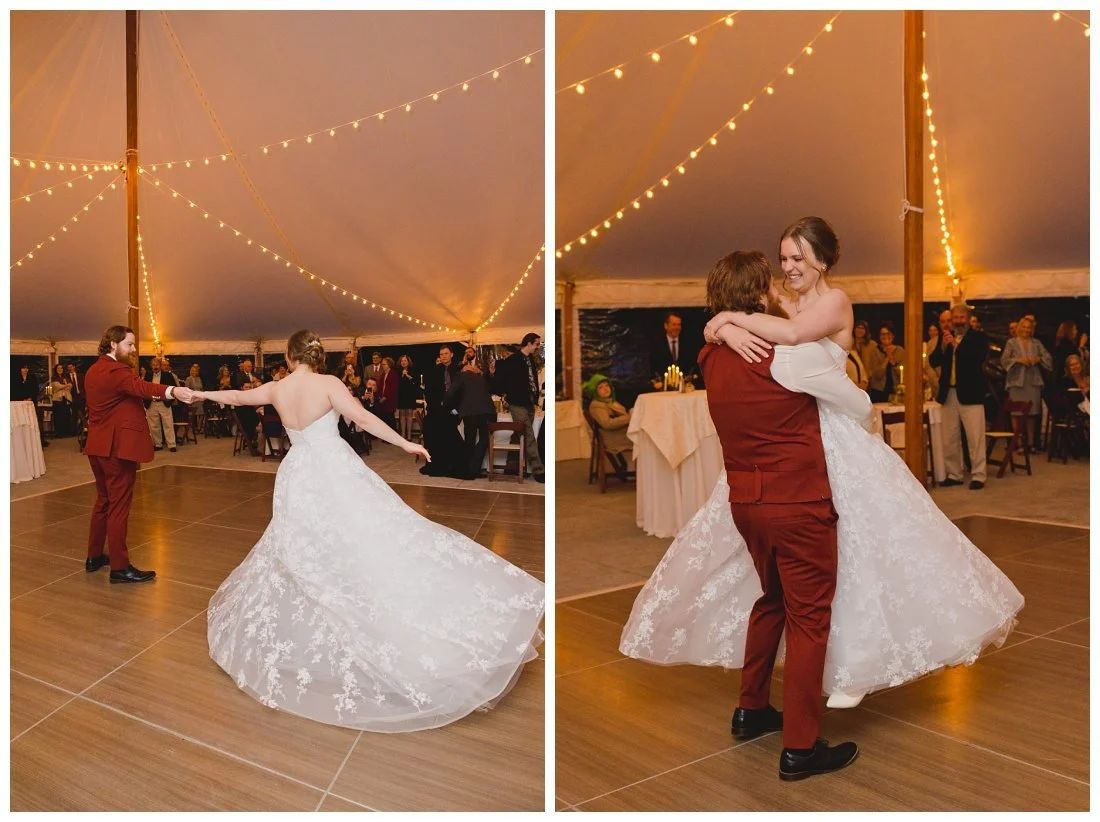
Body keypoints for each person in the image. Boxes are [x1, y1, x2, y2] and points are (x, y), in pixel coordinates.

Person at [624, 221, 1023, 749]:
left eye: (797, 258)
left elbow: (796, 345)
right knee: (813, 596)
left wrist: (723, 321)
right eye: (782, 260)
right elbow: (807, 361)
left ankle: (788, 694)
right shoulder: (782, 332)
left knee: (840, 569)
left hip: (805, 459)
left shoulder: (825, 305)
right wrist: (726, 323)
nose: (788, 268)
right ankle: (802, 739)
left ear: (822, 260)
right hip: (802, 468)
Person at [191, 329, 543, 731]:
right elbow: (362, 418)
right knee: (369, 535)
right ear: (317, 356)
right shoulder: (328, 384)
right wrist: (405, 444)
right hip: (335, 471)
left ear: (290, 357)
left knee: (305, 547)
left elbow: (236, 396)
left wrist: (197, 396)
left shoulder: (277, 387)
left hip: (298, 475)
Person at [83, 325, 195, 583]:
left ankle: (94, 556)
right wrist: (173, 390)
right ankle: (120, 567)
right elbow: (142, 387)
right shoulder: (117, 370)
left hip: (97, 446)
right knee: (119, 506)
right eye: (129, 344)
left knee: (103, 501)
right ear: (113, 344)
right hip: (115, 449)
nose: (134, 350)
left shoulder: (93, 370)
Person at [929, 303, 991, 489]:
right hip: (949, 393)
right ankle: (954, 473)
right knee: (949, 437)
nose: (958, 321)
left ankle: (978, 475)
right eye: (955, 318)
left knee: (975, 437)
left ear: (969, 319)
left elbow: (978, 358)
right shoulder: (945, 337)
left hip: (971, 394)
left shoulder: (978, 337)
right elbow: (934, 361)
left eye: (961, 317)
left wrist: (957, 346)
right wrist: (943, 345)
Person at [490, 333, 545, 483]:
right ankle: (538, 470)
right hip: (517, 402)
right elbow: (502, 380)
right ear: (529, 343)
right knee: (528, 434)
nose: (538, 347)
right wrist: (509, 394)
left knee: (518, 433)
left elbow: (532, 379)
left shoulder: (531, 360)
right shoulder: (512, 360)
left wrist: (534, 395)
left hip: (529, 402)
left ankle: (511, 466)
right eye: (537, 344)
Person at [1001, 316, 1052, 452]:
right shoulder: (1011, 343)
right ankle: (1018, 443)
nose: (1026, 330)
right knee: (1016, 412)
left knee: (1031, 413)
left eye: (1029, 327)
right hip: (1016, 382)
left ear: (1032, 330)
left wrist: (1038, 359)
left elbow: (1048, 358)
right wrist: (1018, 360)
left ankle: (1030, 443)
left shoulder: (1036, 343)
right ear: (1019, 328)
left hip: (1032, 381)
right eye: (1023, 327)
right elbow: (1004, 360)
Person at [445, 354, 495, 479]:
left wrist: (448, 406)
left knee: (470, 440)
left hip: (470, 412)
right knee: (484, 439)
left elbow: (450, 393)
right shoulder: (480, 378)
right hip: (487, 411)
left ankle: (469, 470)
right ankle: (475, 468)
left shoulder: (461, 376)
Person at [420, 344, 466, 477]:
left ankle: (454, 465)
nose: (444, 356)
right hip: (438, 410)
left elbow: (462, 391)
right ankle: (439, 464)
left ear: (451, 354)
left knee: (452, 435)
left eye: (446, 353)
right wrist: (438, 405)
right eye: (441, 354)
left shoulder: (458, 371)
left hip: (454, 410)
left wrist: (456, 408)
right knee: (436, 431)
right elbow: (429, 392)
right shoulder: (434, 371)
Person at [583, 373, 632, 479]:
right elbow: (607, 424)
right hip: (613, 437)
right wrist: (629, 417)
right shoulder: (597, 405)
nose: (605, 389)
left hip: (620, 432)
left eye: (607, 385)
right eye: (600, 387)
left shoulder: (610, 401)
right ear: (595, 391)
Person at [649, 310, 698, 387]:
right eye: (674, 324)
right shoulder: (656, 344)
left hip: (684, 388)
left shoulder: (688, 343)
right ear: (666, 326)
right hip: (663, 388)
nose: (677, 327)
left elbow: (692, 365)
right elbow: (653, 366)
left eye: (679, 325)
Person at [144, 357, 179, 452]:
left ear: (160, 365)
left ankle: (172, 444)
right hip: (151, 403)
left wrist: (170, 400)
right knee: (154, 425)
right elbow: (144, 388)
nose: (155, 367)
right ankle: (158, 444)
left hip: (164, 403)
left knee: (168, 424)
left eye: (157, 365)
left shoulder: (167, 375)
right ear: (151, 366)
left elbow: (173, 388)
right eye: (153, 365)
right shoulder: (148, 375)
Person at [12, 365, 48, 447]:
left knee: (33, 421)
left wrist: (30, 398)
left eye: (27, 368)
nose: (25, 370)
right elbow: (14, 390)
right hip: (19, 403)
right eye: (23, 368)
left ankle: (37, 441)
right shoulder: (15, 378)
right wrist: (22, 398)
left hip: (31, 402)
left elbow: (35, 389)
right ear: (20, 369)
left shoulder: (32, 377)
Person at [233, 359, 263, 456]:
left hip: (251, 406)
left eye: (251, 366)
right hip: (246, 422)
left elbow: (261, 382)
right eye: (248, 366)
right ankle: (256, 444)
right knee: (260, 424)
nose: (250, 368)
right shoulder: (240, 375)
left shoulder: (254, 374)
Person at [850, 320, 881, 397]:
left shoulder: (872, 344)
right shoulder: (849, 343)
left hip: (867, 380)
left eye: (862, 328)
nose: (860, 330)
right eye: (858, 327)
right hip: (852, 381)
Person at [397, 353, 421, 441]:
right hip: (401, 395)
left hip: (410, 395)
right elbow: (397, 384)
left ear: (408, 362)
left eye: (405, 360)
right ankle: (403, 434)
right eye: (402, 361)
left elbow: (416, 383)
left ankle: (409, 435)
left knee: (409, 415)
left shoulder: (413, 370)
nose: (403, 362)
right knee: (402, 415)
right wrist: (402, 375)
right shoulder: (398, 371)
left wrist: (407, 375)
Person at [49, 363, 74, 437]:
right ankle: (59, 433)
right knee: (58, 417)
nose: (60, 370)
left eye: (61, 368)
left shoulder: (66, 377)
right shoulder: (54, 378)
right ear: (56, 370)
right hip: (58, 400)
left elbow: (70, 386)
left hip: (66, 399)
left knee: (66, 416)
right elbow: (57, 386)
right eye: (58, 368)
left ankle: (66, 432)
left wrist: (65, 386)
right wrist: (66, 385)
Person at [377, 356, 399, 429]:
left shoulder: (393, 374)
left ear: (389, 364)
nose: (382, 366)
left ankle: (392, 436)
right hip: (383, 399)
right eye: (382, 364)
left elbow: (393, 389)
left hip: (390, 400)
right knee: (385, 418)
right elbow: (380, 386)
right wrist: (380, 396)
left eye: (384, 364)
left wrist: (385, 397)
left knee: (390, 418)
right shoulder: (383, 374)